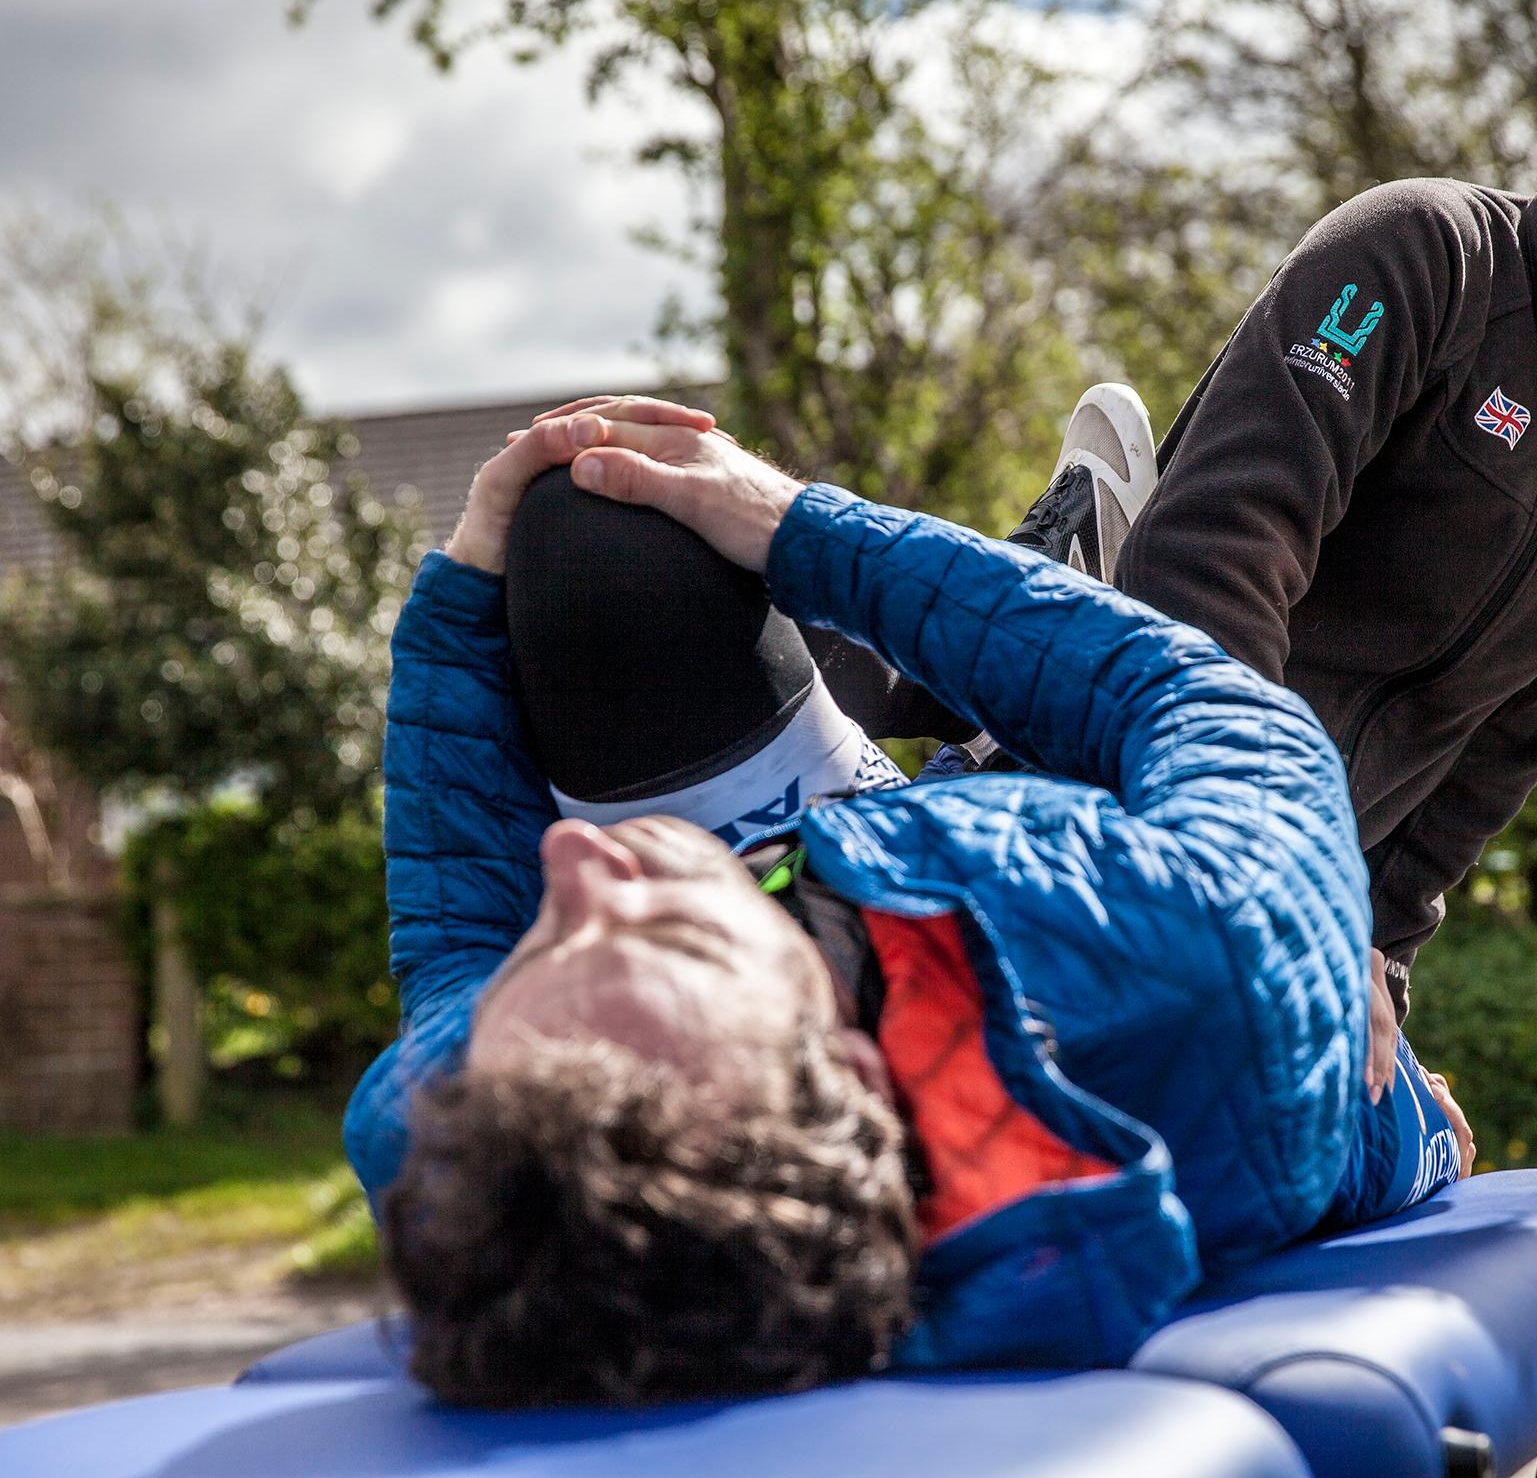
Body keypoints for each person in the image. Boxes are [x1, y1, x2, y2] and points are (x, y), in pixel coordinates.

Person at [809, 37, 1537, 1039]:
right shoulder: (1425, 258)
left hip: (1282, 886)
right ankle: (1029, 614)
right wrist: (1269, 866)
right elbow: (1223, 550)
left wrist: (1377, 950)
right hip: (1162, 785)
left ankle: (1059, 589)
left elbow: (1505, 736)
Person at [344, 405, 1472, 1407]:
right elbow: (1197, 702)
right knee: (1111, 734)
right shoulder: (1202, 949)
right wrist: (800, 528)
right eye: (671, 926)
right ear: (848, 1069)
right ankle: (1033, 669)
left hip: (863, 883)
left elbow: (453, 956)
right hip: (1175, 953)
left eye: (548, 933)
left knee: (579, 540)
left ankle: (953, 743)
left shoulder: (450, 1131)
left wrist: (462, 597)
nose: (582, 861)